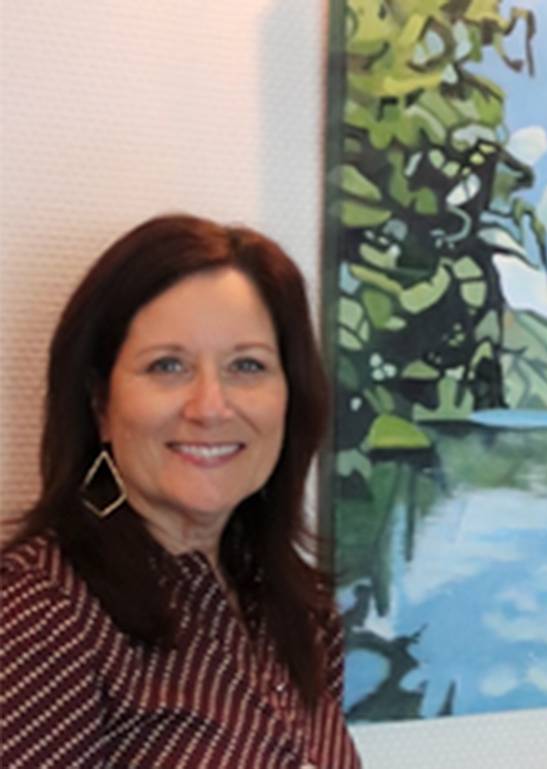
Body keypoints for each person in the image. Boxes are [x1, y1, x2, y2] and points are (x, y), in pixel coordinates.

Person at [0, 214, 361, 767]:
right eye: (167, 366)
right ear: (101, 404)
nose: (211, 407)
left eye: (247, 365)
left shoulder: (299, 609)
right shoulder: (45, 616)